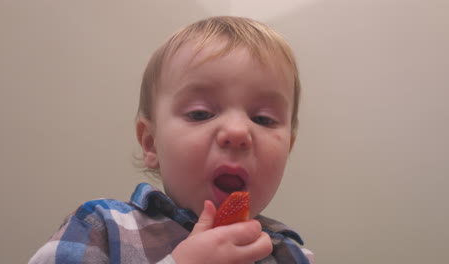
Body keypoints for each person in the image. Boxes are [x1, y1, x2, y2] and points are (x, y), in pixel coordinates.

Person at [29, 16, 315, 264]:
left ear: (288, 148)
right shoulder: (99, 229)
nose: (238, 132)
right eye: (201, 113)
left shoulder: (293, 256)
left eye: (263, 119)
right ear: (151, 143)